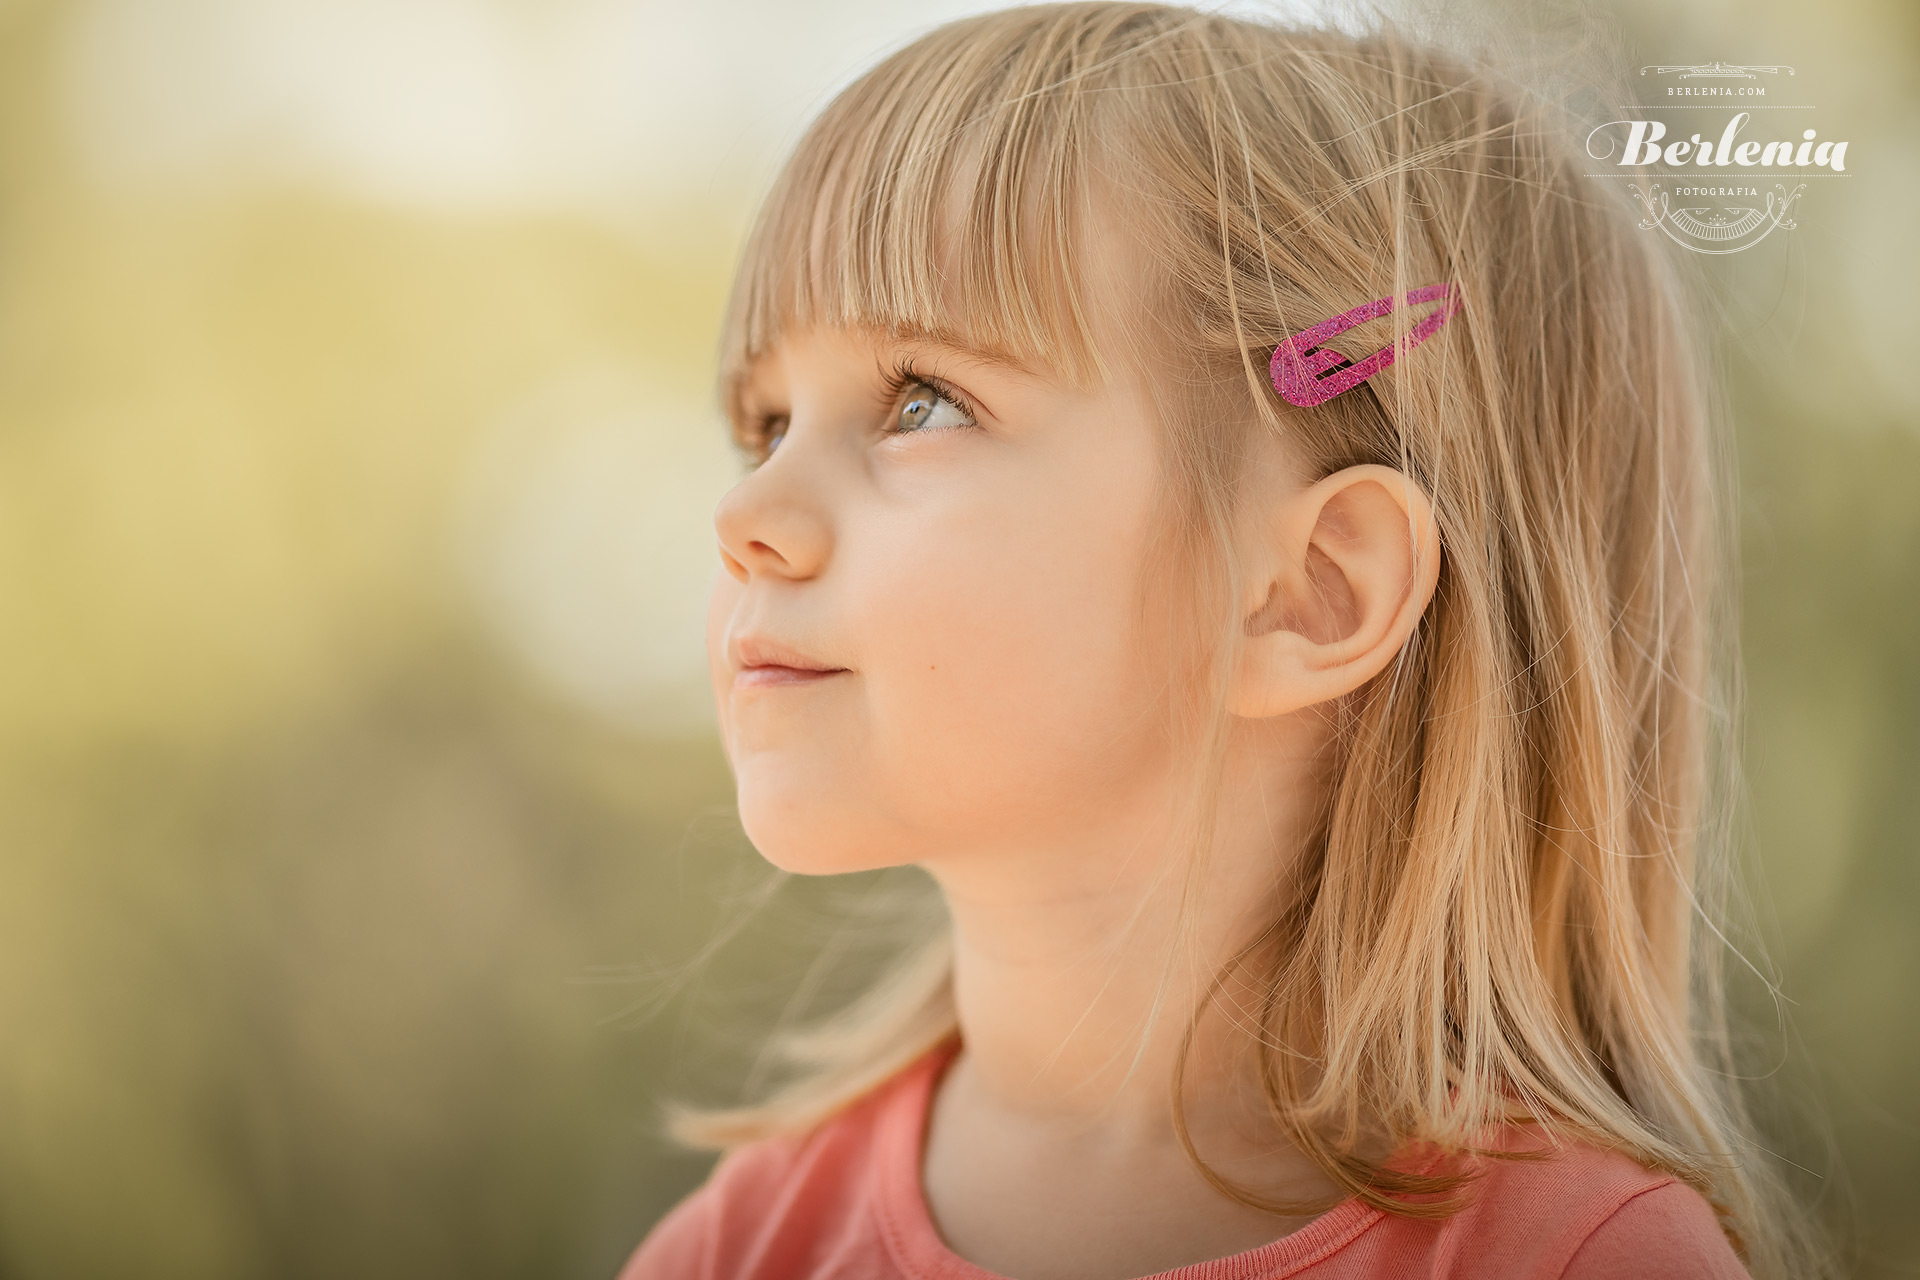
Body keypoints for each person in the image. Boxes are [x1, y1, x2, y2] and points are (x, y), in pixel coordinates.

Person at [621, 5, 1826, 1277]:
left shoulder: (1587, 1260)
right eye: (764, 424)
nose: (744, 515)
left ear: (1312, 590)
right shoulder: (731, 1249)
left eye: (925, 401)